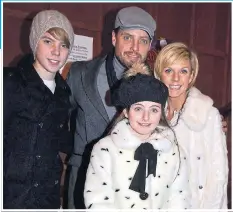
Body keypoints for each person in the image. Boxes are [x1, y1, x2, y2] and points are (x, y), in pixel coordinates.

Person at [66, 6, 156, 209]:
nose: (135, 47)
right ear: (114, 38)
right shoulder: (79, 74)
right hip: (83, 179)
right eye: (127, 38)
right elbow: (60, 118)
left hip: (134, 187)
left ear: (149, 45)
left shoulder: (156, 83)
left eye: (142, 40)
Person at [84, 63, 191, 209]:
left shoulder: (174, 151)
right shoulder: (105, 150)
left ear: (161, 113)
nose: (146, 117)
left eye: (154, 110)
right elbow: (97, 201)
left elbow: (180, 198)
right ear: (126, 112)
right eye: (138, 109)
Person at [3, 10, 74, 209]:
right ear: (35, 42)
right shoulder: (9, 82)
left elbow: (61, 141)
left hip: (47, 199)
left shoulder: (63, 93)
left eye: (64, 45)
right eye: (48, 41)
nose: (56, 51)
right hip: (11, 199)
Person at [154, 42, 229, 208]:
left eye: (183, 71)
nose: (175, 78)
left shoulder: (208, 115)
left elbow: (218, 177)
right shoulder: (152, 115)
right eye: (168, 70)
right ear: (160, 74)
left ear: (191, 75)